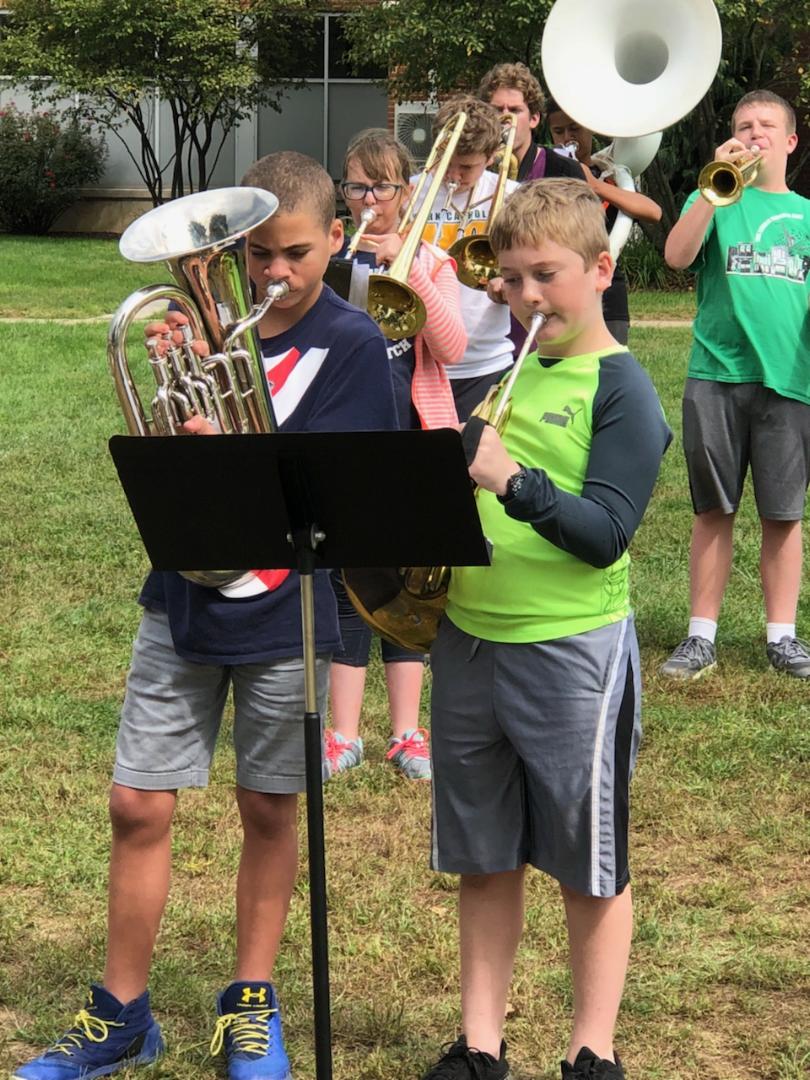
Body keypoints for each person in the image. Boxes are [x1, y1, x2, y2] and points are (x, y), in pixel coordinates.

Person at [13, 151, 398, 1080]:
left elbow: (347, 487)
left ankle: (250, 1003)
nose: (274, 273)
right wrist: (177, 388)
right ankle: (121, 1013)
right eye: (258, 255)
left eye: (295, 254)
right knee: (136, 801)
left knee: (268, 806)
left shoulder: (353, 343)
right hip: (184, 592)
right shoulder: (206, 331)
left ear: (335, 240)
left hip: (286, 607)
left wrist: (235, 448)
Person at [422, 177, 671, 1080]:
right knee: (484, 858)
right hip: (471, 641)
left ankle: (590, 1050)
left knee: (586, 862)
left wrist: (512, 481)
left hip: (572, 652)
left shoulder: (623, 388)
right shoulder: (511, 372)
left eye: (548, 276)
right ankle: (480, 1045)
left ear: (601, 271)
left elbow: (605, 534)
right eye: (513, 278)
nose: (528, 297)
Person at [324, 127, 467, 781]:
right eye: (357, 186)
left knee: (408, 589)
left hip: (414, 441)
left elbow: (453, 346)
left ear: (407, 192)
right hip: (349, 442)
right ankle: (343, 734)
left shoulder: (432, 262)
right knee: (348, 583)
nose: (369, 200)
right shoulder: (334, 264)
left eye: (382, 187)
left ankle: (408, 732)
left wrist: (407, 268)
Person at [659, 90, 810, 680]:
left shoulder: (804, 213)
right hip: (716, 375)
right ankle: (701, 636)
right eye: (744, 125)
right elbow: (676, 257)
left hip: (790, 380)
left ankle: (782, 637)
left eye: (766, 125)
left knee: (783, 514)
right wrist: (707, 191)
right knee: (713, 509)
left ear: (790, 140)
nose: (754, 134)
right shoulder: (715, 198)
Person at [414, 94, 519, 421]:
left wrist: (511, 286)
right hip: (421, 362)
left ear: (491, 157)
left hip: (487, 361)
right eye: (447, 162)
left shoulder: (513, 196)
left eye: (467, 167)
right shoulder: (410, 192)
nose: (454, 175)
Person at [546, 101, 663, 344]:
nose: (567, 137)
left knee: (609, 363)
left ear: (590, 129)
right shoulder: (546, 173)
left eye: (574, 129)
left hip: (608, 292)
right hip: (556, 289)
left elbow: (653, 212)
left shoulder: (608, 173)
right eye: (558, 131)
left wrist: (595, 184)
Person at [477, 61, 586, 184]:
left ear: (534, 119)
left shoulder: (565, 170)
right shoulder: (473, 167)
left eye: (514, 110)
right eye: (497, 110)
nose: (506, 118)